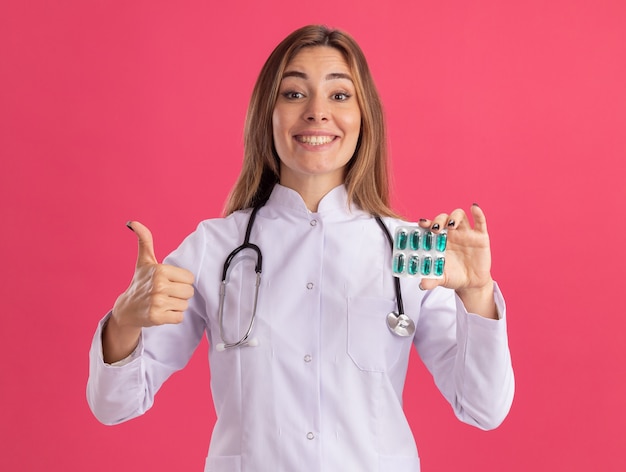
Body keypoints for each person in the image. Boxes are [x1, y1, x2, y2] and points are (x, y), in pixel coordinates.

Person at [87, 24, 514, 472]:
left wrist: (478, 295)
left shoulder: (412, 251)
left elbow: (484, 408)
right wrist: (125, 320)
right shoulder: (213, 249)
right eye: (293, 94)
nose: (316, 112)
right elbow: (114, 406)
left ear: (364, 116)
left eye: (339, 95)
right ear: (265, 115)